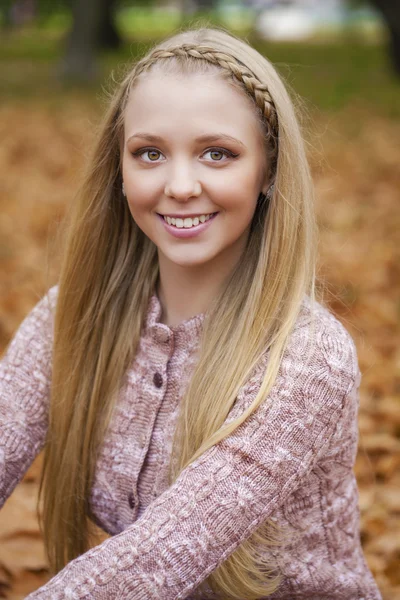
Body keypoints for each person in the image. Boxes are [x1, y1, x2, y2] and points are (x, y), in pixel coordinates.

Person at [0, 26, 382, 600]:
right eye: (150, 153)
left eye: (217, 154)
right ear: (120, 168)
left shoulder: (306, 358)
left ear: (269, 171)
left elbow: (153, 563)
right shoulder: (71, 316)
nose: (180, 185)